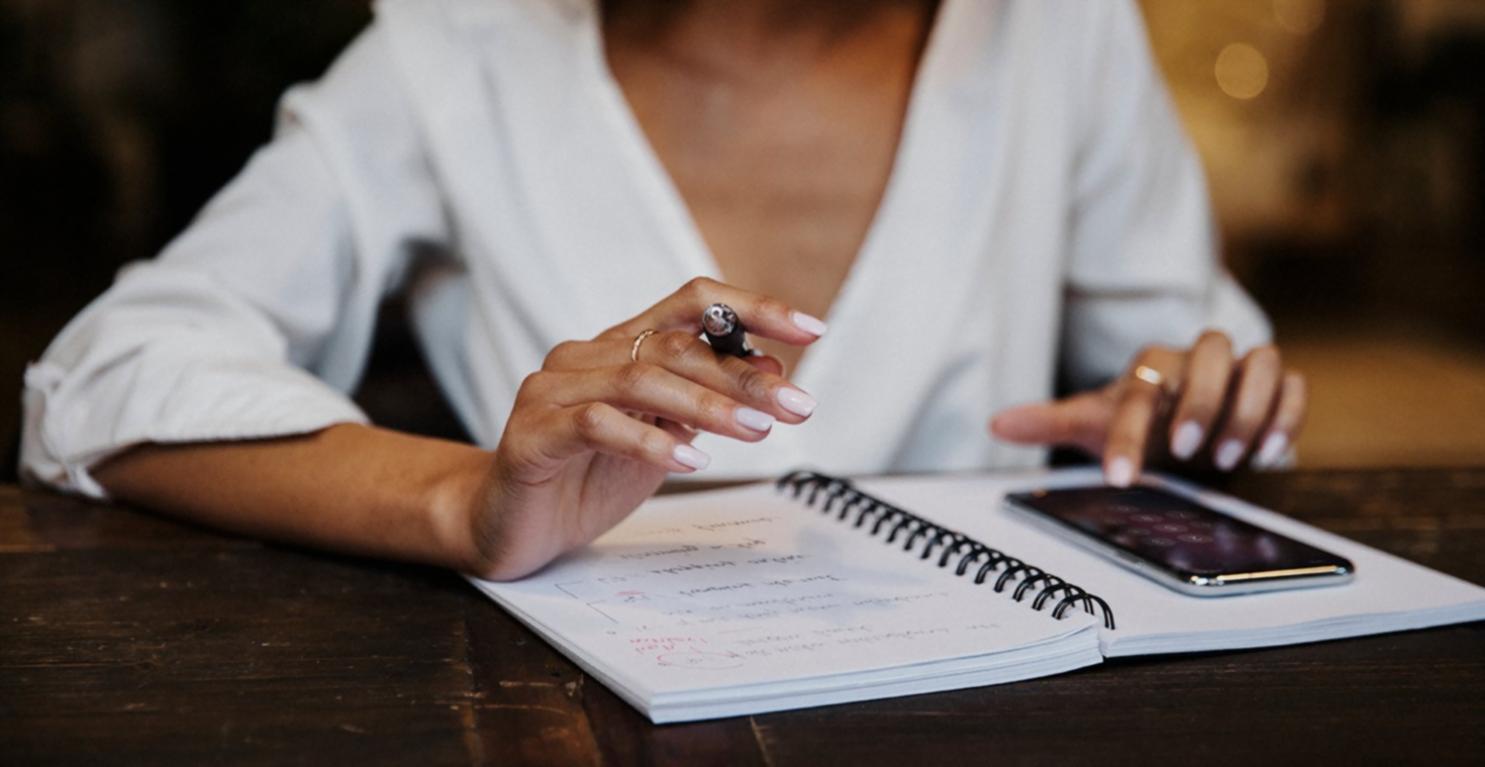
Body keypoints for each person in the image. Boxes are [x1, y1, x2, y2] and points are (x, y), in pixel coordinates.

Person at [20, 0, 1303, 581]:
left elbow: (1180, 349)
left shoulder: (1056, 32)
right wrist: (463, 498)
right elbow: (106, 374)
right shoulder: (452, 52)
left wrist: (1177, 397)